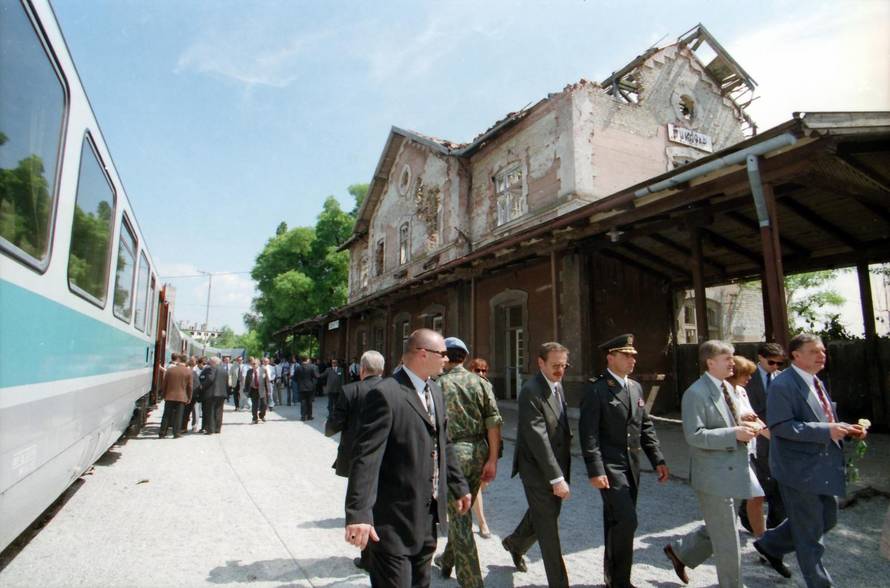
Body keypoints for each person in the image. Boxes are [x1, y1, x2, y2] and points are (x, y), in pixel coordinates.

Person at [345, 329, 471, 588]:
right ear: (423, 354)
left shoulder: (434, 391)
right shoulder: (386, 394)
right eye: (443, 354)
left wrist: (458, 485)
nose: (446, 360)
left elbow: (442, 441)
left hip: (425, 519)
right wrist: (358, 513)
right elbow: (366, 458)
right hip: (391, 524)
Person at [754, 334, 867, 588]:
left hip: (820, 467)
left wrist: (847, 430)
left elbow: (823, 418)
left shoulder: (816, 381)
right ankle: (819, 583)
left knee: (828, 519)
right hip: (796, 469)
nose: (821, 355)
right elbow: (781, 426)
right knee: (810, 534)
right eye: (814, 351)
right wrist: (826, 430)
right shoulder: (783, 385)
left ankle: (770, 545)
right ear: (796, 355)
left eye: (823, 351)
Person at [664, 340, 762, 587]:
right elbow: (695, 435)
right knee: (728, 539)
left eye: (732, 357)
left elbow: (726, 419)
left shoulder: (727, 389)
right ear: (710, 362)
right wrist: (734, 434)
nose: (733, 362)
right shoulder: (695, 393)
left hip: (735, 471)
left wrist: (745, 423)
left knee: (721, 528)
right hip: (713, 477)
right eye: (727, 358)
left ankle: (681, 552)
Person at [579, 334, 669, 588]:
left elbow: (645, 426)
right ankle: (620, 582)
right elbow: (589, 435)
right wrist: (595, 470)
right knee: (628, 520)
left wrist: (658, 459)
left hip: (632, 464)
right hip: (610, 466)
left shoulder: (635, 387)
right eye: (626, 355)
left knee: (616, 521)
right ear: (611, 358)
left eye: (634, 356)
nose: (633, 360)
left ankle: (614, 578)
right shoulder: (596, 389)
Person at [502, 342, 573, 587]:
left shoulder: (556, 384)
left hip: (556, 465)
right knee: (548, 528)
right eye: (555, 366)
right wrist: (557, 478)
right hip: (536, 468)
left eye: (563, 366)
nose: (560, 371)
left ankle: (515, 543)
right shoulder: (531, 390)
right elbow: (537, 438)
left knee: (544, 514)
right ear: (540, 363)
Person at [433, 337, 502, 587]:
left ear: (444, 356)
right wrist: (493, 459)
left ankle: (472, 582)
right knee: (461, 510)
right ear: (464, 356)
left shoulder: (437, 385)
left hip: (453, 454)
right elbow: (493, 422)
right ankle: (447, 560)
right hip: (479, 451)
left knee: (460, 518)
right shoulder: (480, 382)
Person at [325, 350, 385, 571]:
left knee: (363, 504)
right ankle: (381, 552)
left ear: (361, 369)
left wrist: (329, 429)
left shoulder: (350, 390)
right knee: (381, 504)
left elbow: (336, 421)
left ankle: (368, 557)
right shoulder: (392, 389)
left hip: (357, 456)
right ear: (382, 369)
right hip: (384, 455)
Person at [739, 342, 787, 533]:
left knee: (776, 482)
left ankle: (774, 527)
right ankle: (750, 514)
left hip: (777, 436)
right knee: (766, 481)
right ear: (760, 357)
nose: (775, 366)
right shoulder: (748, 378)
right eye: (771, 362)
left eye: (779, 363)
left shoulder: (782, 378)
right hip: (758, 437)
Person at [727, 355, 770, 538]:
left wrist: (772, 437)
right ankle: (763, 540)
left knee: (754, 497)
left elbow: (754, 417)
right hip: (731, 452)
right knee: (753, 496)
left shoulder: (742, 392)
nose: (749, 378)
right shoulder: (724, 392)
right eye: (745, 374)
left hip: (746, 450)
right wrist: (742, 420)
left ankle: (762, 539)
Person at [468, 357, 495, 539]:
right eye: (477, 370)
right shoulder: (465, 387)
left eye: (484, 370)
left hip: (484, 442)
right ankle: (482, 522)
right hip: (469, 442)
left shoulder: (488, 388)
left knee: (481, 484)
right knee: (476, 485)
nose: (481, 374)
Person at [159, 353, 192, 438]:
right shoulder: (188, 371)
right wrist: (189, 397)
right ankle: (176, 433)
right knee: (178, 416)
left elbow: (164, 384)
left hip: (169, 396)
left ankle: (162, 433)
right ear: (186, 361)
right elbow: (190, 386)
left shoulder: (170, 370)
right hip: (181, 397)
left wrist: (163, 394)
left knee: (166, 415)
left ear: (178, 360)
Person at [201, 356, 228, 434]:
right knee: (219, 411)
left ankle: (210, 429)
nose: (209, 363)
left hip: (212, 393)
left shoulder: (212, 369)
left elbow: (210, 379)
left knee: (210, 411)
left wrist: (202, 386)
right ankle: (217, 428)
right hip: (222, 394)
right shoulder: (224, 370)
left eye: (210, 362)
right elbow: (226, 382)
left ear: (213, 362)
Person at [294, 356, 319, 421]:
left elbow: (294, 378)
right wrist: (313, 383)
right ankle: (309, 416)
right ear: (307, 360)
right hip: (310, 387)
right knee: (309, 402)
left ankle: (303, 416)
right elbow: (315, 376)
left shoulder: (298, 368)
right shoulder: (311, 367)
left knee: (303, 402)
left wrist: (299, 382)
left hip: (301, 387)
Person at [245, 358, 266, 424]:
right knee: (254, 405)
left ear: (258, 364)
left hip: (262, 389)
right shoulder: (249, 371)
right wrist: (246, 390)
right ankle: (254, 418)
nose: (252, 365)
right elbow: (247, 381)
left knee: (264, 404)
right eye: (252, 364)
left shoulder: (263, 370)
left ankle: (261, 415)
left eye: (254, 364)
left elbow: (266, 381)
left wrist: (268, 390)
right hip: (253, 390)